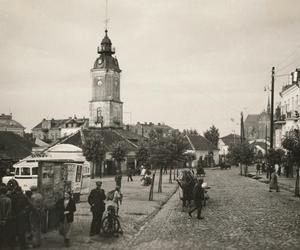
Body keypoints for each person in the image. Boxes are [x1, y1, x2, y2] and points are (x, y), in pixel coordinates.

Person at [10, 186, 31, 250]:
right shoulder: (24, 196)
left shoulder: (13, 197)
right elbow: (30, 204)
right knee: (21, 232)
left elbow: (11, 207)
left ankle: (13, 246)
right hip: (21, 216)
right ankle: (23, 246)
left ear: (16, 191)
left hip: (14, 216)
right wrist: (25, 211)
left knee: (14, 231)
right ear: (21, 190)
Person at [0, 185, 12, 249]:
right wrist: (5, 219)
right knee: (6, 233)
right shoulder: (8, 200)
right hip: (6, 220)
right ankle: (5, 246)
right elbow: (9, 211)